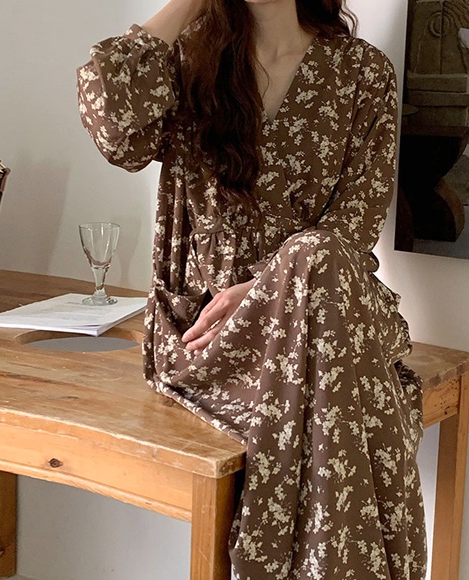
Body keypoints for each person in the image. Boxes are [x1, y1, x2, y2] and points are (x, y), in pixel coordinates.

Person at [77, 0, 427, 577]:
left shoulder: (362, 72)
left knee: (316, 256)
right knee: (351, 394)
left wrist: (268, 286)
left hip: (321, 311)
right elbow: (113, 128)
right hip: (211, 334)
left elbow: (356, 224)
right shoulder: (186, 62)